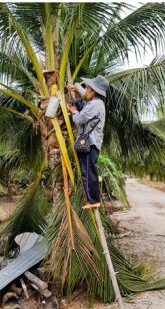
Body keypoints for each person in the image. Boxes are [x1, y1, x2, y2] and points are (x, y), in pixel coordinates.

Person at [67, 75, 109, 209]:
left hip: (89, 143)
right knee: (90, 169)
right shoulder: (95, 103)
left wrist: (73, 112)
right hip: (92, 143)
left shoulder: (95, 104)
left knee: (88, 171)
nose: (85, 90)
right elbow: (84, 104)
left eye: (87, 88)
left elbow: (79, 119)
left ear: (93, 91)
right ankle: (95, 181)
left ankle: (93, 200)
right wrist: (77, 91)